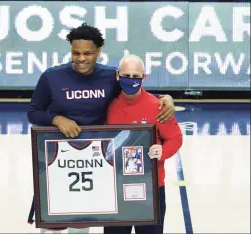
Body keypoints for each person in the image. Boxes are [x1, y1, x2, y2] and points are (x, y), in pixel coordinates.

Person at [27, 23, 176, 233]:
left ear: (98, 52)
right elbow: (33, 112)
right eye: (76, 53)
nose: (81, 59)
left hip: (94, 161)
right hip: (59, 160)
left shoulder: (109, 76)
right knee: (52, 225)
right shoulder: (52, 77)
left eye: (87, 53)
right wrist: (58, 119)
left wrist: (165, 98)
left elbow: (135, 91)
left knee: (81, 224)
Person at [104, 54, 183, 234]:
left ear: (143, 78)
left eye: (135, 77)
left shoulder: (158, 106)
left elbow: (176, 138)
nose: (130, 80)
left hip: (151, 188)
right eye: (126, 76)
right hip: (116, 188)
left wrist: (162, 151)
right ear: (117, 76)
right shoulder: (108, 105)